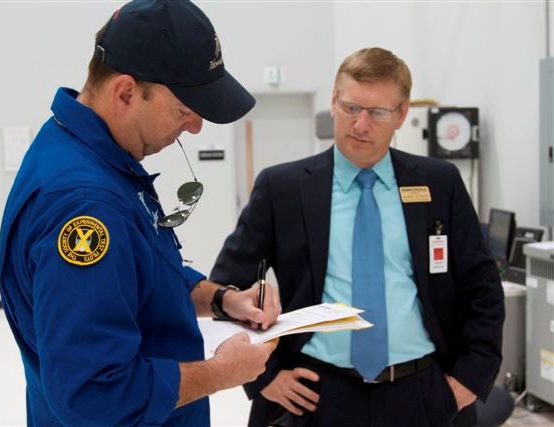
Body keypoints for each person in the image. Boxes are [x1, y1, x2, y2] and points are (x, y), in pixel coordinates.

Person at [0, 1, 280, 425]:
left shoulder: (83, 151)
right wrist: (222, 373)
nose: (196, 127)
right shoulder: (86, 206)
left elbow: (142, 275)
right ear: (126, 93)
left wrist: (223, 300)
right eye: (185, 109)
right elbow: (93, 393)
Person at [210, 47, 504, 427]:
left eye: (378, 112)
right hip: (315, 395)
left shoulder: (438, 183)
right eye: (351, 108)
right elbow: (225, 289)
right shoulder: (282, 188)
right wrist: (265, 377)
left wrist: (466, 381)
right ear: (333, 102)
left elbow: (482, 290)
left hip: (421, 394)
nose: (361, 124)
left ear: (401, 114)